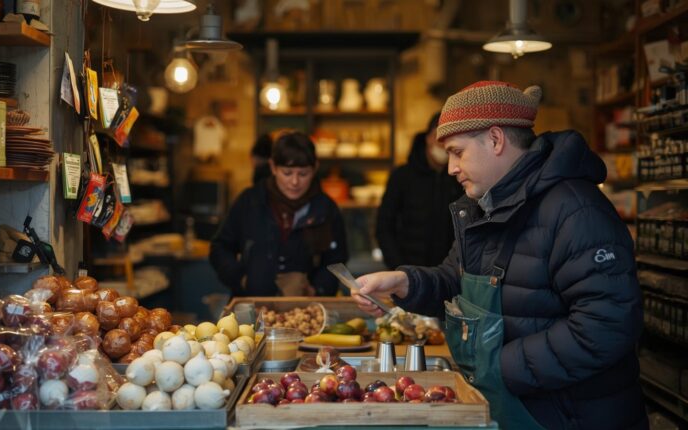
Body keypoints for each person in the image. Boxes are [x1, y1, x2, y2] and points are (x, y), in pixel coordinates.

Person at [351, 81, 646, 429]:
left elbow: (606, 325)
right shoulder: (484, 206)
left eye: (457, 152)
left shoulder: (575, 210)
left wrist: (497, 365)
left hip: (568, 417)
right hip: (512, 407)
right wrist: (404, 283)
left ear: (495, 139)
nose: (450, 168)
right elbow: (455, 279)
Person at [210, 131, 348, 297]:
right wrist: (241, 278)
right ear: (273, 167)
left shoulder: (326, 208)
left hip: (307, 309)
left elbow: (336, 259)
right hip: (250, 303)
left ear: (315, 168)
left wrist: (317, 288)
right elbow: (221, 248)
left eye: (303, 174)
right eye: (287, 173)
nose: (295, 182)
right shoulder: (250, 201)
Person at [376, 113, 462, 269]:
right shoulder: (402, 176)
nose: (443, 145)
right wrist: (398, 267)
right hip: (408, 270)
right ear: (428, 137)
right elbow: (384, 225)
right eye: (439, 137)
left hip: (449, 273)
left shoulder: (459, 177)